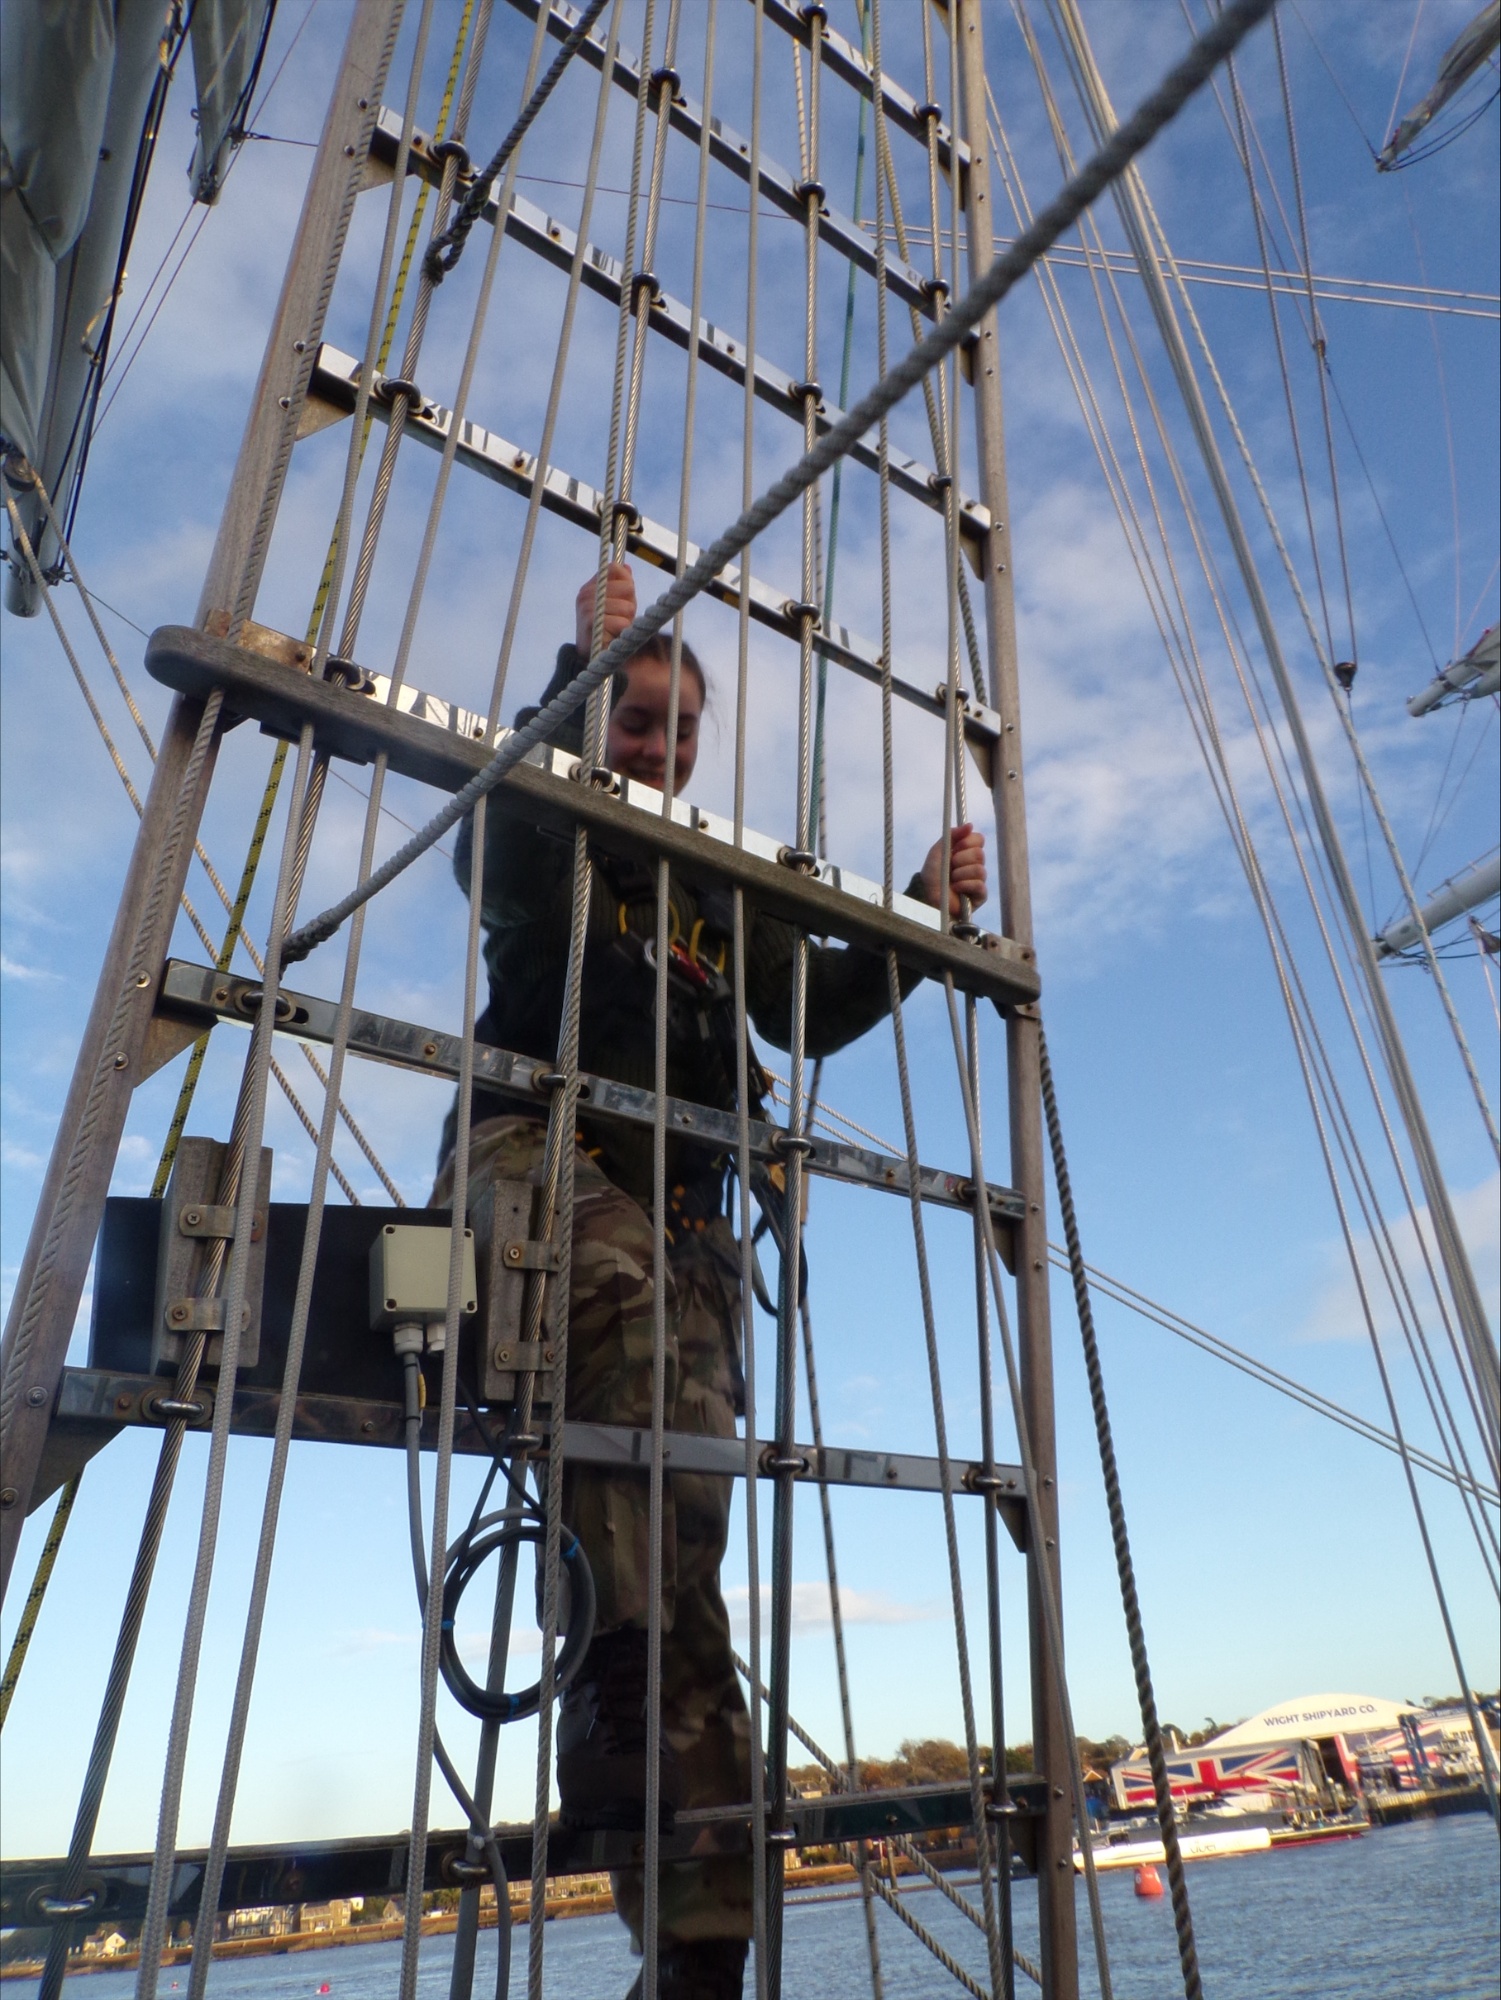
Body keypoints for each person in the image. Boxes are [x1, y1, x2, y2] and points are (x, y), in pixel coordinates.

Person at [432, 562, 986, 1999]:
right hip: (541, 1155)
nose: (658, 748)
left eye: (678, 730)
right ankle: (605, 1691)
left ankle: (699, 1936)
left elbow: (810, 1014)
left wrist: (917, 914)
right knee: (611, 1303)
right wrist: (573, 673)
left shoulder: (718, 897)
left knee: (685, 1530)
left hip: (687, 1202)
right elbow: (487, 844)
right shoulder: (561, 843)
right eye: (638, 721)